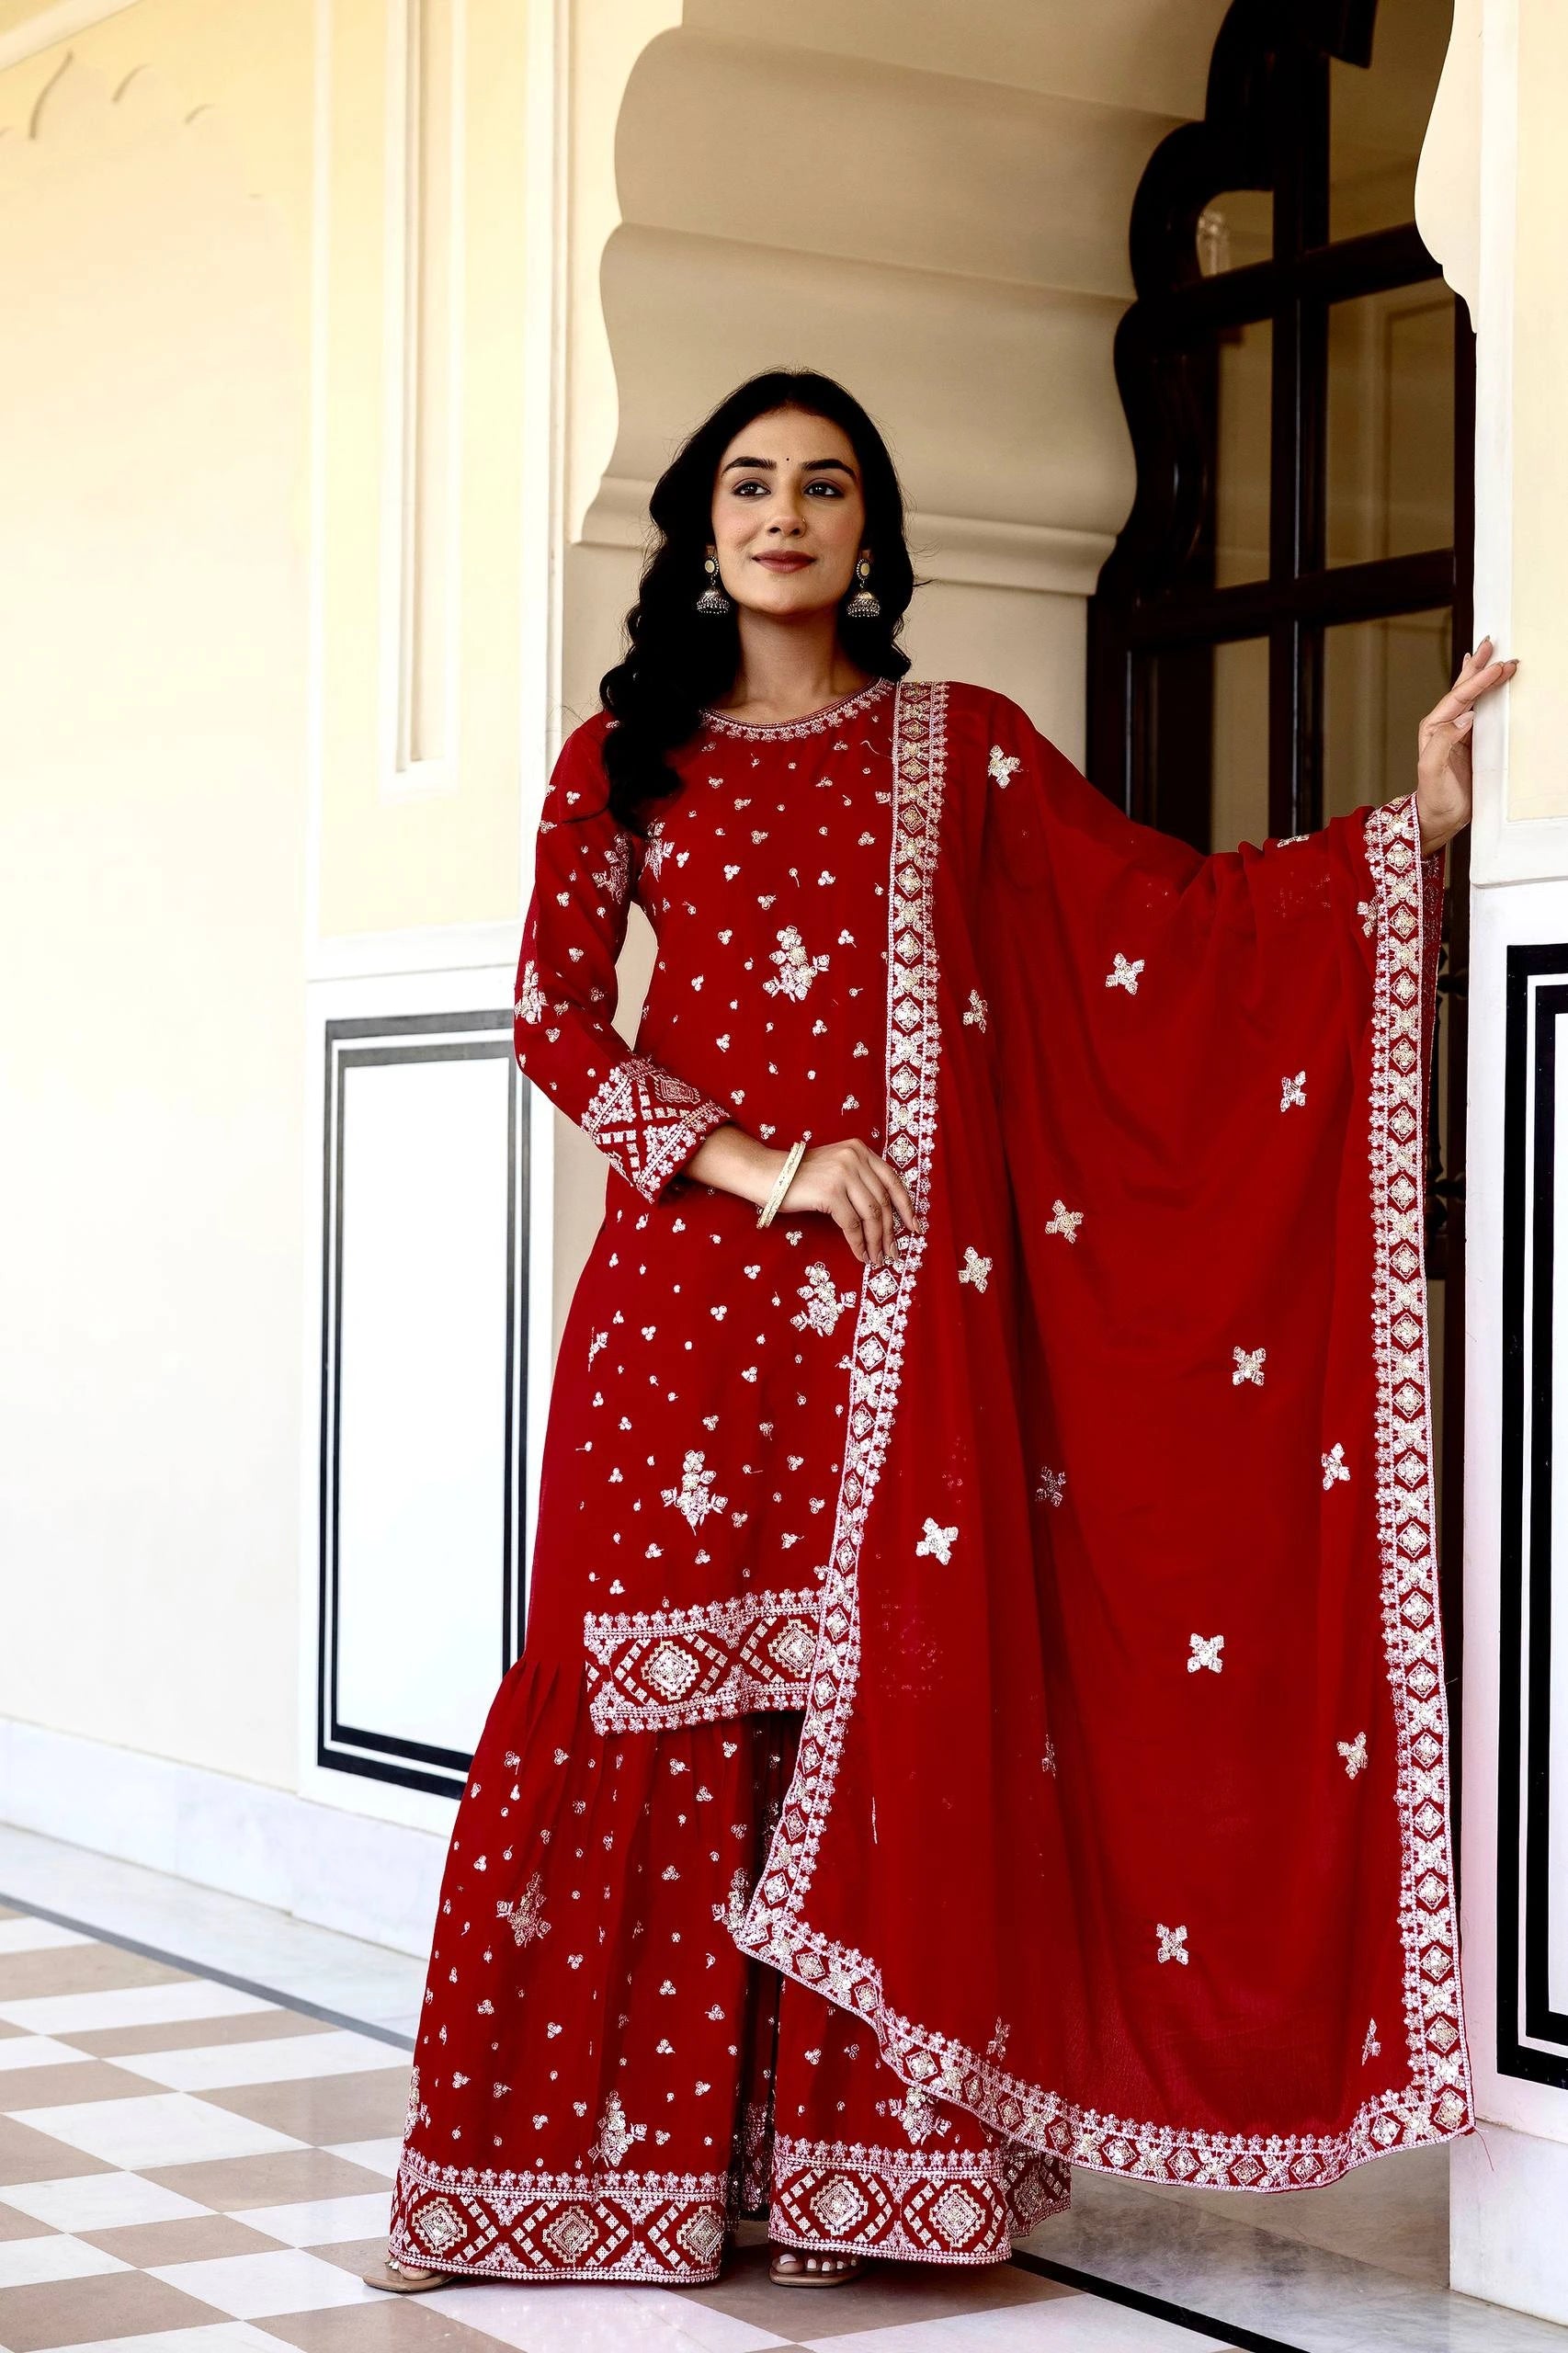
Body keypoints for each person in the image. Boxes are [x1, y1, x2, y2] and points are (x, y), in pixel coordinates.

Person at [368, 369, 1516, 2296]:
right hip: (678, 1325)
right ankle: (551, 2174)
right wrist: (754, 1159)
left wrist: (1399, 832)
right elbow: (554, 1018)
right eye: (747, 484)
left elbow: (1166, 929)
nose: (784, 514)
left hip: (902, 1331)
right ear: (699, 530)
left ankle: (845, 2182)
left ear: (872, 533)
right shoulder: (619, 760)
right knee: (641, 1696)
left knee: (871, 1707)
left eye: (823, 485)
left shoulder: (956, 748)